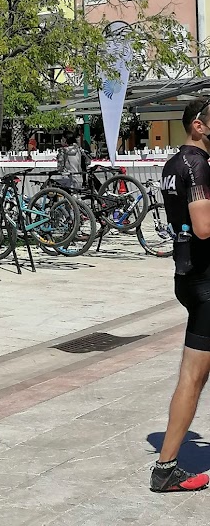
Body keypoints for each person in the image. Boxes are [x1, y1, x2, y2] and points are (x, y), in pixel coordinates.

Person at [150, 98, 210, 492]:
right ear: (198, 126)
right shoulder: (198, 164)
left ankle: (166, 466)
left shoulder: (174, 164)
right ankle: (166, 468)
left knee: (193, 374)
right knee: (193, 377)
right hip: (206, 281)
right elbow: (204, 226)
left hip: (188, 274)